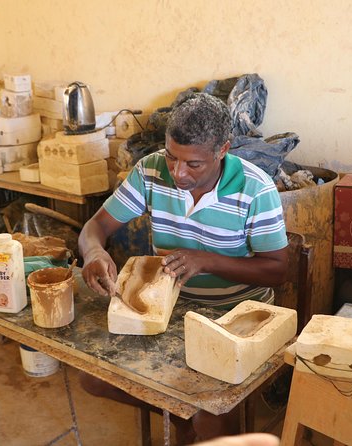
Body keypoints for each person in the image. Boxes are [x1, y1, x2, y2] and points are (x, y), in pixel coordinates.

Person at [78, 92, 288, 444]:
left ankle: (189, 417)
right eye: (172, 157)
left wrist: (207, 260)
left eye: (194, 164)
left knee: (212, 419)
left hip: (233, 314)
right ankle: (178, 414)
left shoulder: (255, 189)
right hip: (170, 307)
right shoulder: (150, 170)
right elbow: (94, 228)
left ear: (222, 149)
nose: (178, 172)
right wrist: (93, 252)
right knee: (93, 378)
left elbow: (279, 270)